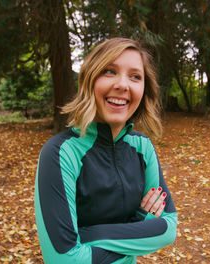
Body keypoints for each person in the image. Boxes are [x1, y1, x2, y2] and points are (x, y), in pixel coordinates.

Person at [34, 37, 177, 263]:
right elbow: (64, 259)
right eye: (110, 71)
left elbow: (168, 228)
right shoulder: (61, 153)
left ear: (144, 89)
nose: (123, 84)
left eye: (135, 76)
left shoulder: (143, 148)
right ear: (90, 79)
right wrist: (139, 226)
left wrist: (88, 237)